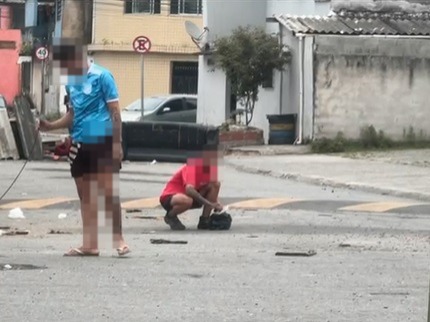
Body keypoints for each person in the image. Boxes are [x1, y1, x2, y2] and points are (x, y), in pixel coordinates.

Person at [38, 40, 129, 257]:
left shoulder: (102, 76)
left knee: (108, 193)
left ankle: (119, 240)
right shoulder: (71, 82)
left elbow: (115, 112)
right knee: (85, 195)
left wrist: (117, 144)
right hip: (79, 141)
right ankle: (90, 244)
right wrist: (50, 126)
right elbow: (72, 114)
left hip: (101, 135)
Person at [159, 145, 224, 230]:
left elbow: (209, 189)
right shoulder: (192, 166)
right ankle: (170, 216)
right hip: (171, 197)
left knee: (215, 184)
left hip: (191, 198)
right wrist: (209, 203)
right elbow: (189, 189)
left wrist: (216, 203)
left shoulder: (209, 170)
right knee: (187, 201)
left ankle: (204, 220)